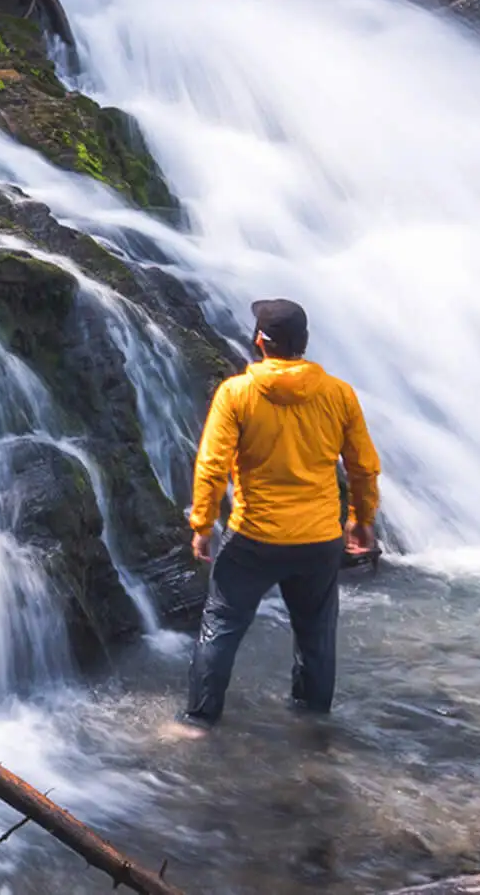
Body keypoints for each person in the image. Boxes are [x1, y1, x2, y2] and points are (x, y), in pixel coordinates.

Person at [172, 297, 382, 734]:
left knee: (222, 626)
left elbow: (212, 464)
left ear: (259, 342)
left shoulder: (237, 393)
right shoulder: (338, 394)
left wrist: (202, 526)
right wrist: (362, 519)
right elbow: (363, 466)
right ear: (303, 343)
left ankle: (198, 723)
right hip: (320, 539)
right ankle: (312, 725)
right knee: (316, 633)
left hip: (254, 537)